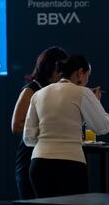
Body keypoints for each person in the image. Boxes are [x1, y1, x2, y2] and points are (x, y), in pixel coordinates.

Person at [23, 55, 109, 198]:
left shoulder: (39, 94)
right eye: (88, 75)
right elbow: (101, 127)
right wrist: (96, 103)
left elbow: (29, 138)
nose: (88, 80)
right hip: (70, 165)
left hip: (39, 164)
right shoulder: (83, 92)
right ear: (80, 73)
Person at [11, 46, 68, 199]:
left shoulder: (61, 90)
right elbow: (16, 126)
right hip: (30, 159)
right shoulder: (31, 90)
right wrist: (47, 129)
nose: (62, 71)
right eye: (60, 67)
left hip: (54, 160)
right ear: (50, 66)